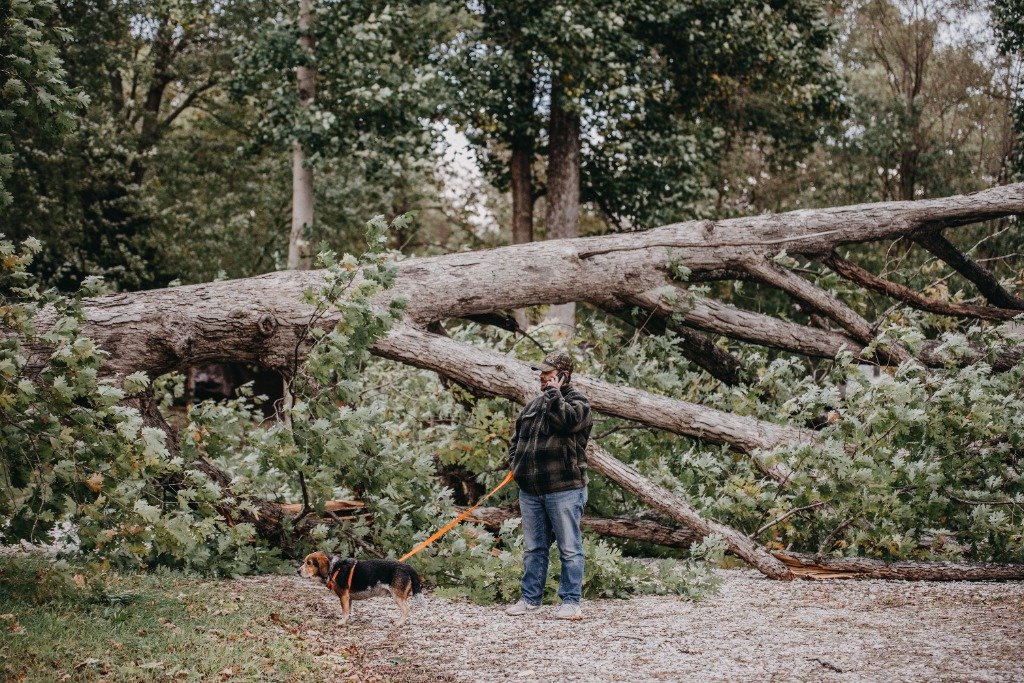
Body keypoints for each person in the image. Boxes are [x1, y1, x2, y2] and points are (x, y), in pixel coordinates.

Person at [504, 350, 593, 620]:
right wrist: (515, 466)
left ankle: (570, 602)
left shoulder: (578, 402)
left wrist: (555, 396)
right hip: (531, 491)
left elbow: (568, 423)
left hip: (565, 489)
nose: (542, 378)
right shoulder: (532, 406)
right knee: (534, 547)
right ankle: (531, 599)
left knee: (569, 547)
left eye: (548, 373)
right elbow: (516, 440)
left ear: (564, 375)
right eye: (541, 373)